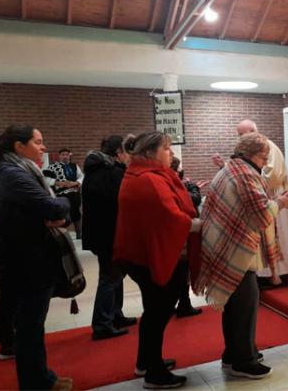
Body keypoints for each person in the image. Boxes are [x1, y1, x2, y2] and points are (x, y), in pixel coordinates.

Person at [195, 132, 288, 380]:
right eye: (263, 157)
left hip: (225, 245)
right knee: (245, 306)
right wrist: (280, 202)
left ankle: (235, 354)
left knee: (236, 306)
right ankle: (244, 361)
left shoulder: (233, 169)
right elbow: (261, 214)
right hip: (235, 251)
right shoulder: (246, 174)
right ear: (252, 155)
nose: (264, 162)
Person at [0, 125, 73, 390]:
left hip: (19, 256)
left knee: (29, 324)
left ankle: (40, 377)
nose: (43, 147)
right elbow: (52, 205)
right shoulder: (13, 174)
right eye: (38, 142)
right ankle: (37, 382)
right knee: (31, 326)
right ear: (18, 147)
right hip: (28, 259)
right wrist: (66, 201)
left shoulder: (6, 171)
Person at [113, 131, 199, 389]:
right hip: (151, 256)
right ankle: (154, 372)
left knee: (154, 311)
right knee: (158, 312)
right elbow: (170, 217)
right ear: (150, 153)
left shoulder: (141, 173)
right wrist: (198, 224)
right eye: (167, 148)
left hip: (141, 254)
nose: (171, 153)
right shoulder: (148, 178)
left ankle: (147, 362)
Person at [82, 135, 137, 341]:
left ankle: (115, 314)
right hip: (109, 233)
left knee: (116, 275)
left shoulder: (95, 170)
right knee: (110, 277)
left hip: (100, 233)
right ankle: (102, 324)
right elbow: (120, 203)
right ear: (118, 153)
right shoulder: (110, 173)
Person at [235, 120, 288, 288]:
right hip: (263, 200)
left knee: (278, 236)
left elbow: (273, 175)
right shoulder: (249, 152)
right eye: (238, 135)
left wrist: (251, 181)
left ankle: (281, 274)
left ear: (253, 132)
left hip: (275, 198)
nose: (240, 138)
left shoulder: (269, 147)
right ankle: (264, 274)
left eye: (243, 134)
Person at [168, 156, 204, 318]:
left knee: (180, 271)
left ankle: (182, 303)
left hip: (176, 234)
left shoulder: (171, 183)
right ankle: (182, 304)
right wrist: (194, 187)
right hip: (181, 234)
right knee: (181, 271)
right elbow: (192, 200)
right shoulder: (175, 184)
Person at [45, 148, 84, 239]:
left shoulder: (74, 166)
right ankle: (62, 235)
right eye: (63, 154)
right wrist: (58, 183)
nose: (65, 156)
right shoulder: (53, 167)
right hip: (61, 195)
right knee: (63, 214)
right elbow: (46, 179)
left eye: (67, 154)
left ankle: (79, 233)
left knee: (76, 213)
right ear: (59, 156)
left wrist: (76, 183)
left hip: (74, 194)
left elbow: (81, 176)